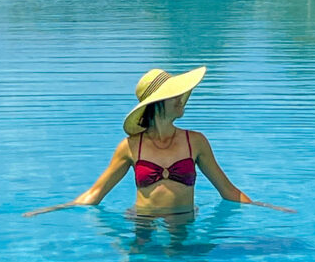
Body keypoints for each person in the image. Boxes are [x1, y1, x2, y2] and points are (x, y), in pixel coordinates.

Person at [23, 65, 296, 217]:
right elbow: (95, 194)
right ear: (158, 104)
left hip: (186, 224)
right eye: (175, 95)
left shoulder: (196, 142)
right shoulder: (131, 147)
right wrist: (54, 209)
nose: (182, 99)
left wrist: (267, 209)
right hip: (143, 224)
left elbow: (228, 190)